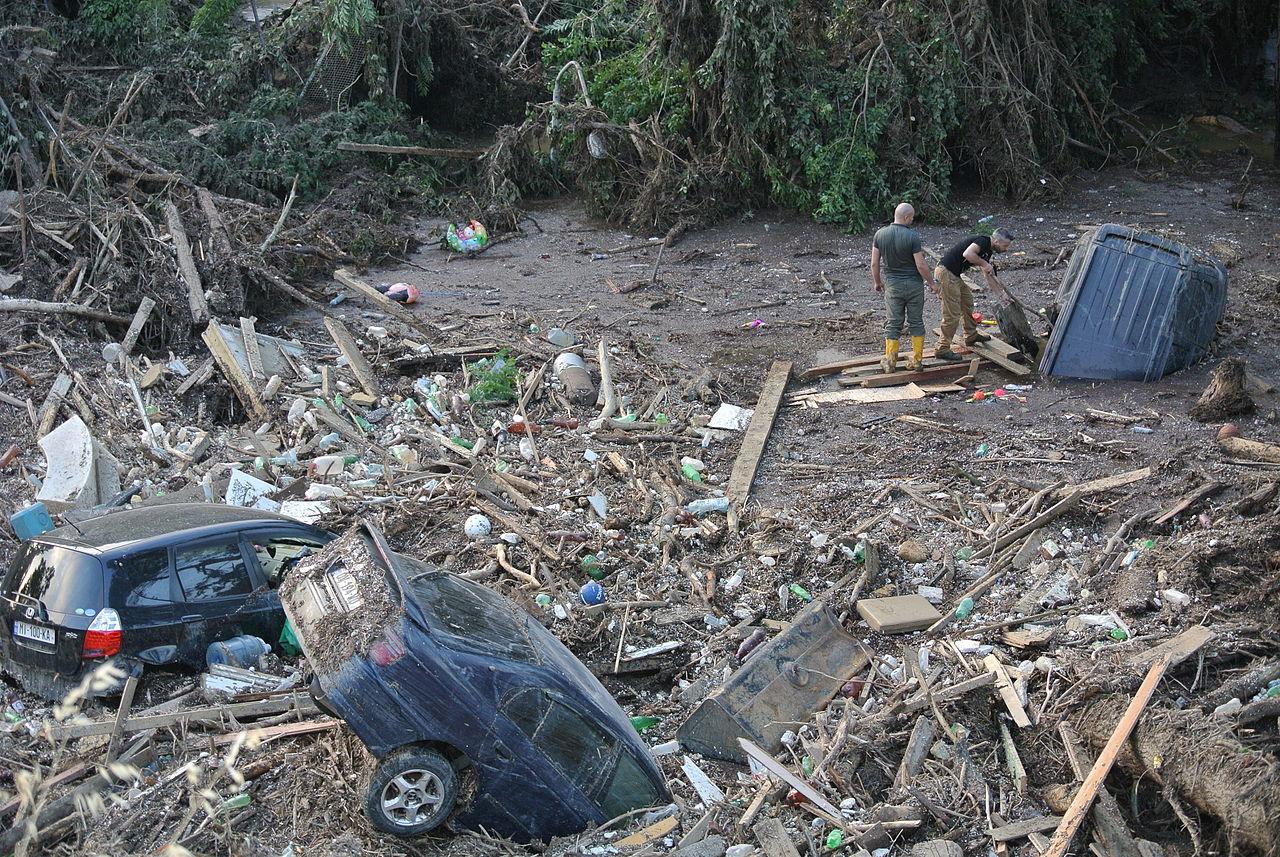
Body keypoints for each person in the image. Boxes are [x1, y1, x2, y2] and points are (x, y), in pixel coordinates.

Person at [871, 202, 940, 373]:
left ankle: (890, 362)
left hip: (893, 286)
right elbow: (921, 265)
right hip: (914, 286)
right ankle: (916, 361)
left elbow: (874, 263)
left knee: (893, 323)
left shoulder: (880, 234)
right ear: (907, 217)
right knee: (916, 322)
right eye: (912, 217)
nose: (913, 220)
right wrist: (932, 283)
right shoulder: (912, 236)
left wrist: (878, 282)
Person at [934, 228, 1014, 361]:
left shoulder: (988, 251)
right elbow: (968, 254)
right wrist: (984, 263)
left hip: (954, 275)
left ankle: (970, 335)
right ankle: (942, 349)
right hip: (946, 273)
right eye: (1005, 246)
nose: (1006, 249)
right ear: (996, 241)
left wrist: (1002, 296)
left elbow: (988, 275)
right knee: (952, 314)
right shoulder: (982, 241)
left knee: (967, 302)